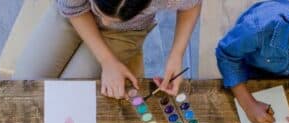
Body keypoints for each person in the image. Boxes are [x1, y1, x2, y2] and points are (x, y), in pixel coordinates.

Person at [14, 0, 202, 98]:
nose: (104, 22)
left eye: (113, 19)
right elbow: (73, 9)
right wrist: (107, 60)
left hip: (124, 33)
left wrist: (177, 54)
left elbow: (191, 5)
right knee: (23, 83)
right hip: (74, 15)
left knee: (74, 93)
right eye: (103, 14)